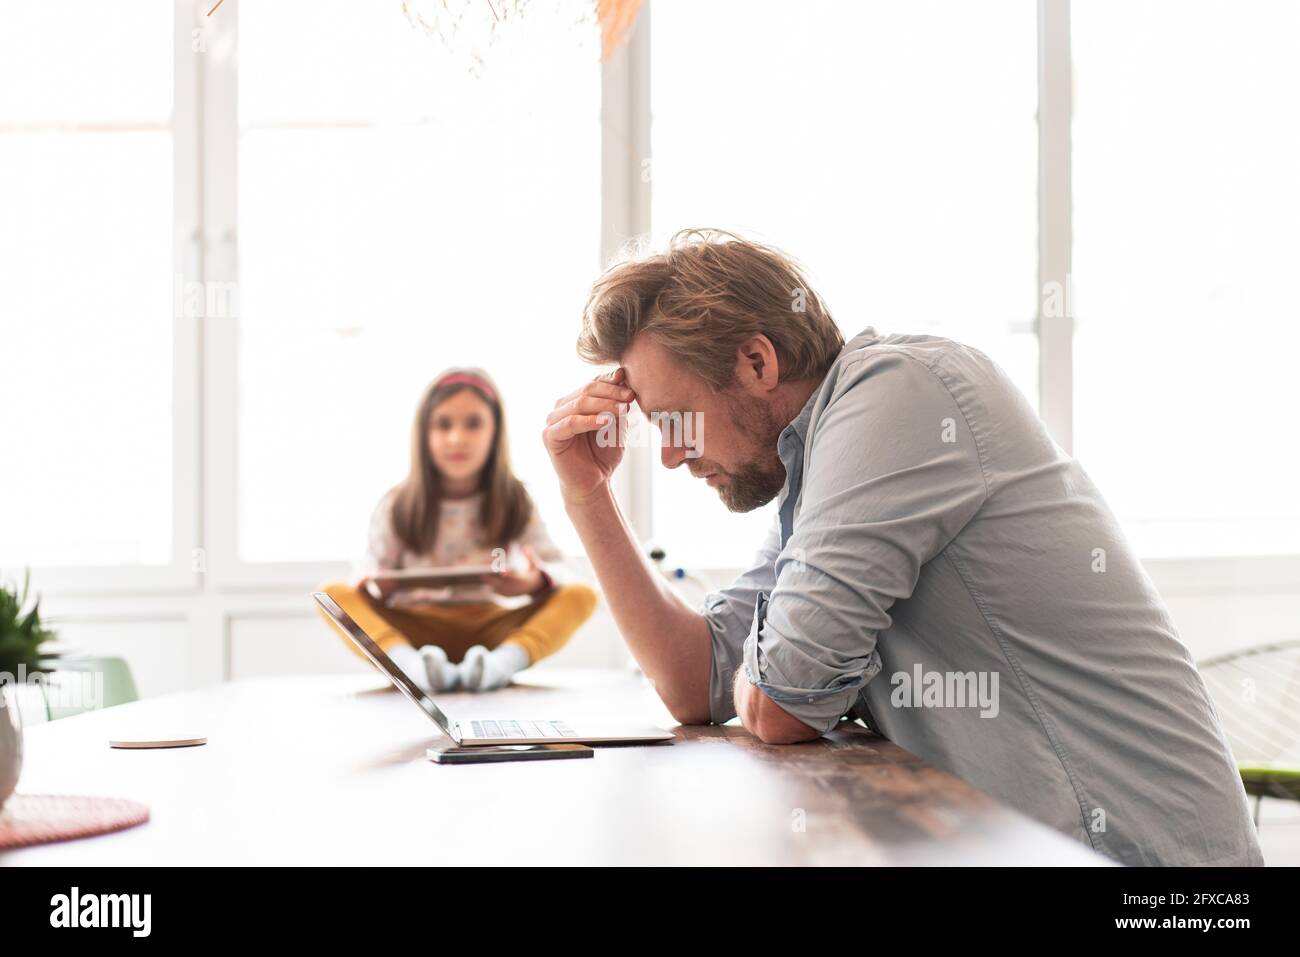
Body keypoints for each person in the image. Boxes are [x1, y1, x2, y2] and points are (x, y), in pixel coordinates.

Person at [540, 227, 1263, 866]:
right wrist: (587, 496)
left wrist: (776, 669)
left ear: (757, 362)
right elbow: (692, 681)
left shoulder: (899, 393)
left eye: (676, 420)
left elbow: (780, 704)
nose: (669, 455)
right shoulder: (820, 466)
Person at [322, 368, 596, 692]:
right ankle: (410, 668)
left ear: (495, 431)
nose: (457, 438)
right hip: (414, 631)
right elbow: (366, 576)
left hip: (490, 631)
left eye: (473, 423)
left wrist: (532, 582)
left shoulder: (514, 499)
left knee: (583, 594)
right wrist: (381, 586)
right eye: (443, 424)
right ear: (424, 433)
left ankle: (499, 665)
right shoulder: (397, 503)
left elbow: (560, 569)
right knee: (333, 596)